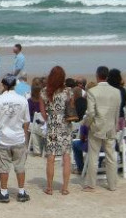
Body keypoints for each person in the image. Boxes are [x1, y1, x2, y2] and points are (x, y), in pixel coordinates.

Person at [0, 75, 30, 203]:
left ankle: (4, 192)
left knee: (3, 166)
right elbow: (27, 121)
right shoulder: (22, 100)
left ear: (4, 85)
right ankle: (21, 191)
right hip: (18, 137)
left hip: (3, 137)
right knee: (20, 165)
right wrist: (23, 134)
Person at [81, 66, 120, 192]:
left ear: (97, 75)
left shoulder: (93, 91)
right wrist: (115, 124)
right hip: (111, 126)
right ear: (107, 76)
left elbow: (91, 113)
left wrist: (86, 124)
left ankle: (91, 184)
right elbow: (117, 112)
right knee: (111, 156)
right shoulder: (116, 91)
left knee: (93, 156)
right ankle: (112, 184)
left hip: (96, 127)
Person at [39, 66, 73, 195]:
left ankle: (49, 187)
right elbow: (71, 108)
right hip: (65, 125)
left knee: (51, 157)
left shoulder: (44, 92)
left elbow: (43, 113)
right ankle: (64, 188)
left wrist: (51, 118)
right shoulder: (68, 91)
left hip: (53, 125)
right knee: (66, 156)